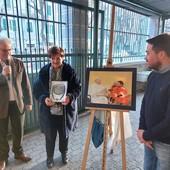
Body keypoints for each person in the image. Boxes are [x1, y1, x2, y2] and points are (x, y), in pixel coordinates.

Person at [33, 46, 81, 169]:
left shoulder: (70, 71)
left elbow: (78, 88)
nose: (55, 61)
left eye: (58, 58)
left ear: (62, 58)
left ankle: (64, 153)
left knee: (64, 135)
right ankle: (49, 157)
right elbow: (36, 90)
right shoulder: (43, 72)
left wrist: (70, 97)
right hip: (49, 111)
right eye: (53, 58)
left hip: (65, 111)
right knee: (50, 136)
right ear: (50, 58)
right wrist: (44, 99)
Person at [137, 33, 170, 170]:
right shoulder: (153, 75)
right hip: (149, 139)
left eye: (148, 53)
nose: (145, 57)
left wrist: (145, 134)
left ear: (161, 54)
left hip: (165, 143)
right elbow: (145, 103)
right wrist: (142, 129)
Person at [0, 37, 33, 170]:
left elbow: (26, 83)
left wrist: (29, 101)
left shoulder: (19, 63)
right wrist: (2, 75)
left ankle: (18, 153)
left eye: (9, 50)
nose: (7, 54)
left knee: (18, 130)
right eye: (3, 51)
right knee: (1, 132)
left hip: (17, 103)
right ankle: (2, 157)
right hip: (1, 105)